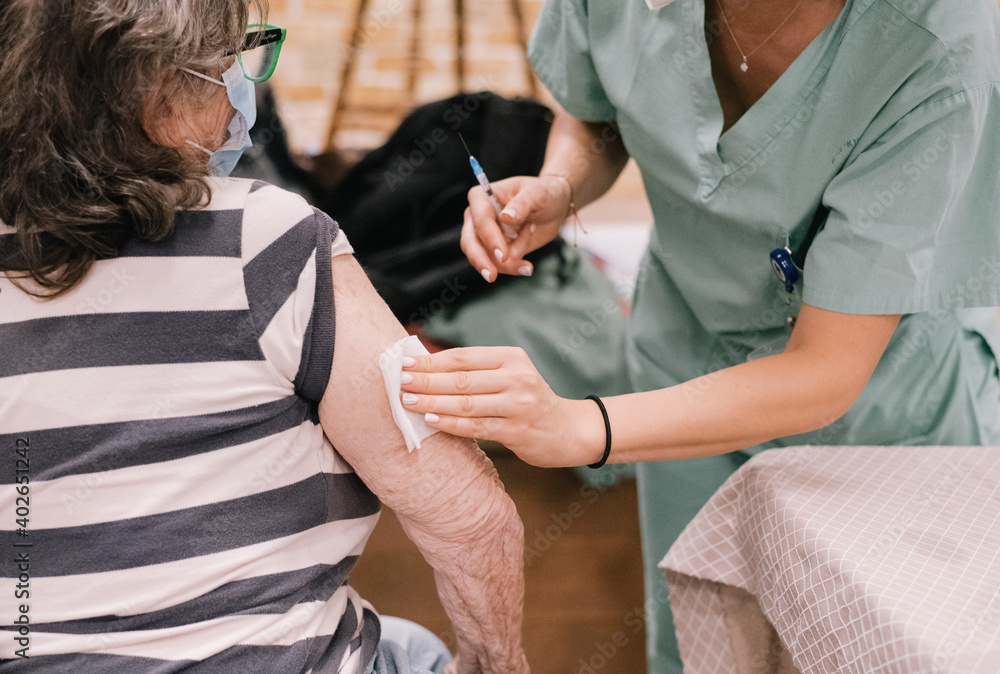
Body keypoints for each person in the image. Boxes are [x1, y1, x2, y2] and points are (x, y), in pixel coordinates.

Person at [396, 0, 1000, 671]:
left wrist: (579, 426)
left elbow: (826, 368)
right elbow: (603, 101)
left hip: (875, 421)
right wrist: (561, 185)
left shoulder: (935, 49)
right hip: (684, 355)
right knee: (699, 650)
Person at [0, 2, 529, 673]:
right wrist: (494, 663)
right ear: (158, 98)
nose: (242, 93)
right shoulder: (267, 244)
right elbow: (472, 518)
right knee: (416, 652)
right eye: (229, 64)